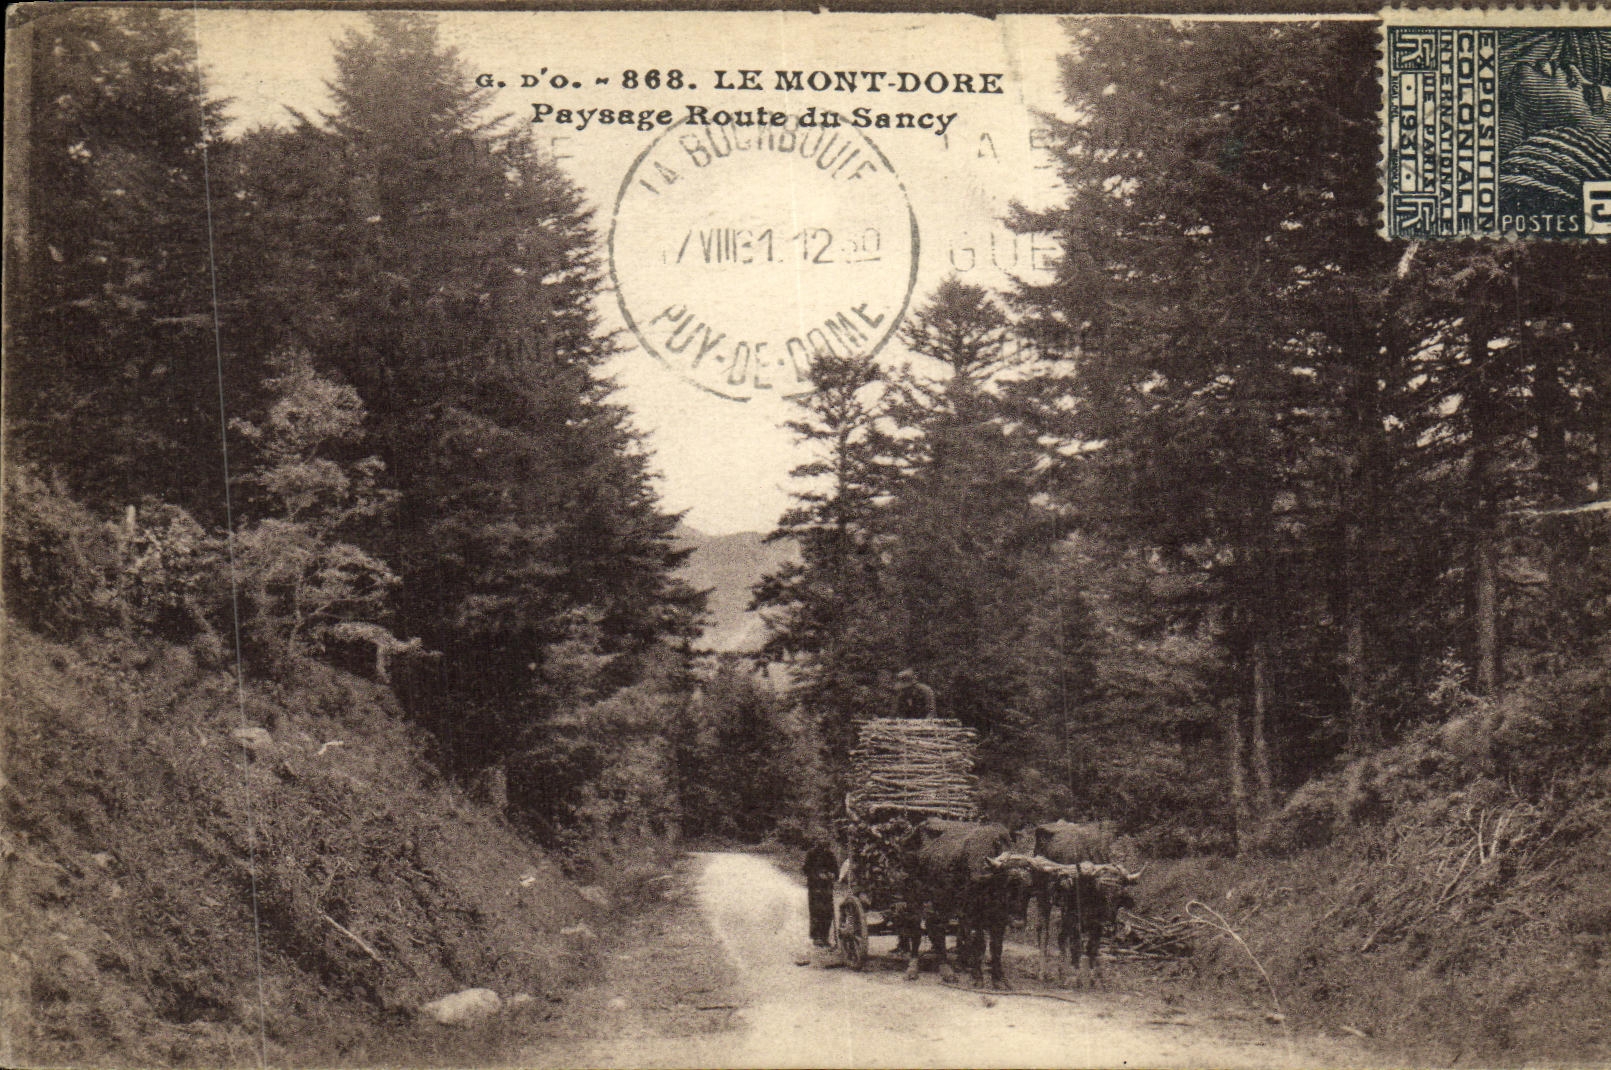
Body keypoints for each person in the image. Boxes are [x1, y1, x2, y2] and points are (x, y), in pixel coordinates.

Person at [804, 835, 839, 947]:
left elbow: (836, 870)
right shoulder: (811, 854)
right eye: (821, 839)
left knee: (828, 912)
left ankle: (825, 937)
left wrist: (833, 875)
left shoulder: (830, 855)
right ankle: (817, 937)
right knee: (816, 911)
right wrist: (818, 875)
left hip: (827, 887)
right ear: (817, 841)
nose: (823, 841)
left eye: (825, 839)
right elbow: (806, 869)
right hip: (815, 887)